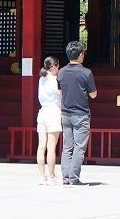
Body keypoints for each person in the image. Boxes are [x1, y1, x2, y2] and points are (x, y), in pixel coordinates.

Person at [57, 40, 96, 186]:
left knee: (67, 146)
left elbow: (60, 91)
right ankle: (74, 177)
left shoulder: (61, 72)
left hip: (65, 113)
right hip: (81, 113)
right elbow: (93, 94)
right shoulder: (86, 73)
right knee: (79, 147)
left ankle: (66, 176)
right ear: (80, 55)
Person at [36, 56, 62, 185]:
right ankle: (51, 176)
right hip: (53, 111)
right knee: (51, 147)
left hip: (42, 112)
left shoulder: (42, 79)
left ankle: (42, 176)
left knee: (41, 146)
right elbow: (60, 95)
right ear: (54, 66)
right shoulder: (55, 80)